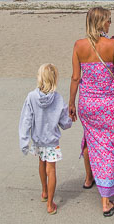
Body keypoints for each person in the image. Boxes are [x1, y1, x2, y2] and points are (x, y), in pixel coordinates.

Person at [69, 7, 114, 217]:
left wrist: (71, 103)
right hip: (109, 105)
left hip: (87, 104)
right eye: (108, 21)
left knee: (91, 139)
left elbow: (75, 78)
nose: (110, 25)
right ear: (101, 23)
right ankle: (106, 201)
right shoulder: (113, 45)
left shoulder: (79, 46)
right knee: (107, 146)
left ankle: (89, 178)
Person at [19, 63, 73, 215]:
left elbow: (26, 120)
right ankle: (50, 204)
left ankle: (44, 191)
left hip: (38, 139)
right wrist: (70, 119)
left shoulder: (31, 97)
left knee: (41, 164)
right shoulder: (58, 99)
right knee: (52, 170)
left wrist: (24, 142)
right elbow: (65, 123)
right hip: (51, 141)